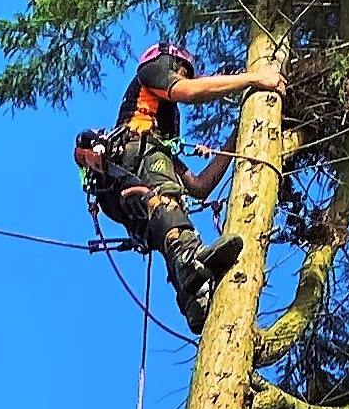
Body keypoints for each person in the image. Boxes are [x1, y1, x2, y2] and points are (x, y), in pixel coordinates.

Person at [74, 43, 286, 327]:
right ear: (168, 61)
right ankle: (191, 260)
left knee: (165, 223)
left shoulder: (160, 136)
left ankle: (192, 298)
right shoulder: (150, 74)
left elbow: (200, 186)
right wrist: (255, 79)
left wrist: (240, 132)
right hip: (132, 162)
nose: (185, 75)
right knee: (166, 201)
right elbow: (187, 92)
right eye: (182, 69)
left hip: (122, 193)